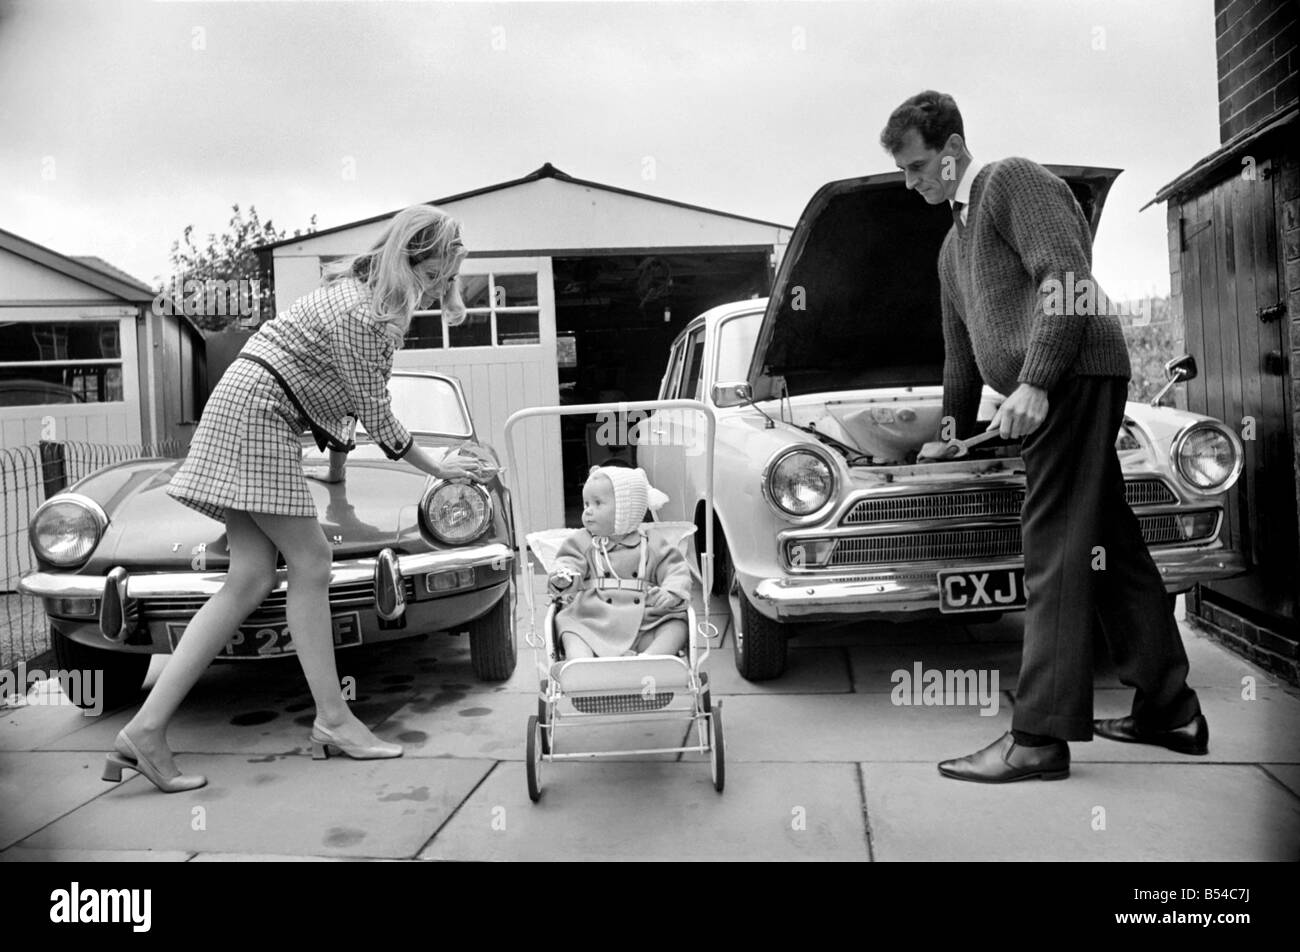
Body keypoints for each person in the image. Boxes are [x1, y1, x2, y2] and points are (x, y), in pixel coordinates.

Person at [104, 205, 490, 794]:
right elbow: (375, 414)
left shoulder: (357, 295)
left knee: (251, 576)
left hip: (245, 408)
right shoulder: (367, 313)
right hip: (259, 417)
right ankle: (334, 720)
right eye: (447, 267)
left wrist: (336, 472)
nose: (446, 282)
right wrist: (439, 467)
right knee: (311, 562)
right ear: (421, 256)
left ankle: (146, 728)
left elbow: (333, 402)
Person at [879, 91, 1207, 783]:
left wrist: (1037, 381)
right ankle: (1170, 710)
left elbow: (1068, 279)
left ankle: (1039, 737)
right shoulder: (951, 247)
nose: (910, 184)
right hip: (1061, 379)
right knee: (1110, 545)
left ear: (952, 152)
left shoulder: (1010, 181)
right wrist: (947, 431)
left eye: (915, 168)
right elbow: (959, 354)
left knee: (1053, 547)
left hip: (1077, 375)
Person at [548, 466, 692, 658]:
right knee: (570, 629)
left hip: (644, 623)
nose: (588, 511)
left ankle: (650, 658)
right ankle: (581, 664)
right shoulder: (582, 541)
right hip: (592, 619)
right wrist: (564, 576)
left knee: (676, 627)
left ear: (626, 509)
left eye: (597, 504)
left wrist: (670, 592)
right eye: (586, 504)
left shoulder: (651, 543)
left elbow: (675, 568)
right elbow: (568, 561)